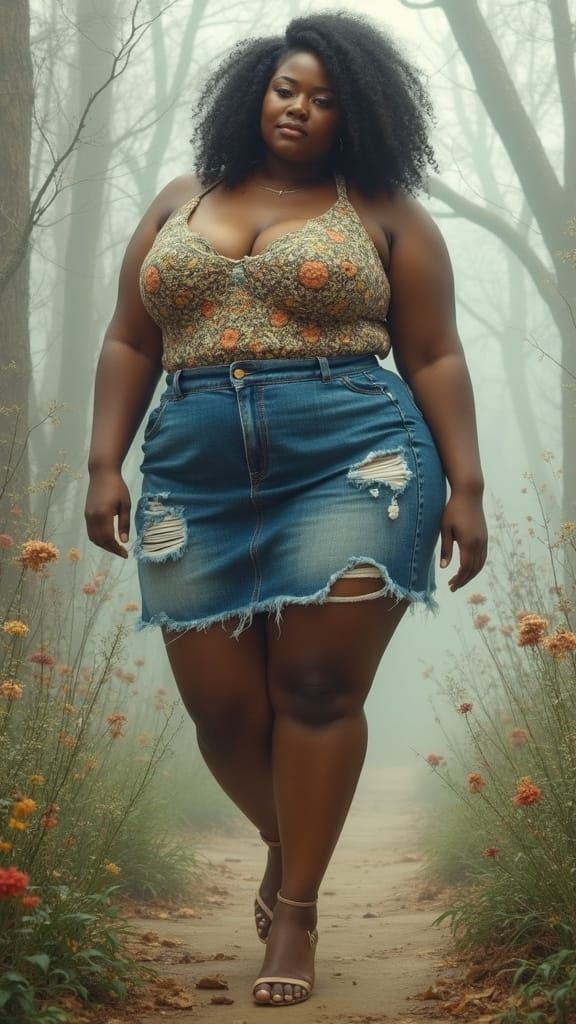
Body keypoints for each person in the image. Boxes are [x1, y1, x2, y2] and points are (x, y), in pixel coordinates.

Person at [85, 10, 487, 1008]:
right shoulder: (181, 199)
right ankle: (284, 840)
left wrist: (468, 488)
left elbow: (435, 353)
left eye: (325, 97)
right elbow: (131, 341)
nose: (301, 109)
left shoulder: (385, 211)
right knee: (223, 707)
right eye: (286, 90)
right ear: (253, 93)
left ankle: (296, 911)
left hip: (358, 458)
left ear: (360, 115)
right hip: (193, 469)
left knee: (313, 686)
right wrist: (104, 462)